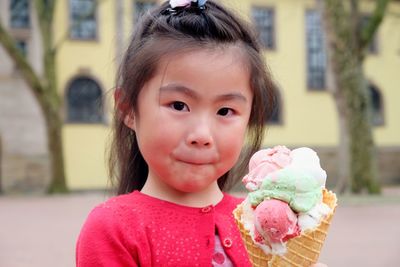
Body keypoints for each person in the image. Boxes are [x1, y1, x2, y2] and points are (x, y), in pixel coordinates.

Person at [76, 1, 326, 266]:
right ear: (128, 109)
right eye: (178, 105)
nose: (202, 134)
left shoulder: (262, 223)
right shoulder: (114, 229)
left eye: (226, 111)